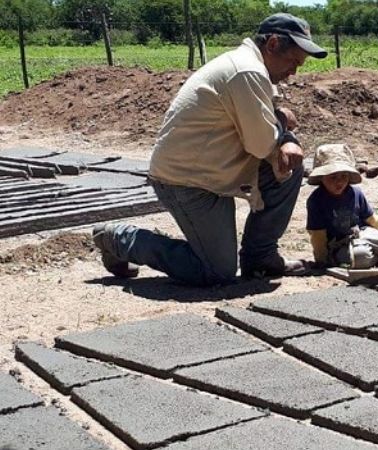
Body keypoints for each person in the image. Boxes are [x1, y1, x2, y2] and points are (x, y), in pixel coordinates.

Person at [92, 13, 327, 286]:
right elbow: (262, 144)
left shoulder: (251, 67)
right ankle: (117, 238)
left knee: (287, 165)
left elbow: (265, 131)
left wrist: (284, 134)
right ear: (273, 44)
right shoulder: (247, 71)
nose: (294, 72)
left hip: (214, 170)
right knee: (216, 271)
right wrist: (285, 128)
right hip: (186, 182)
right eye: (292, 61)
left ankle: (260, 257)